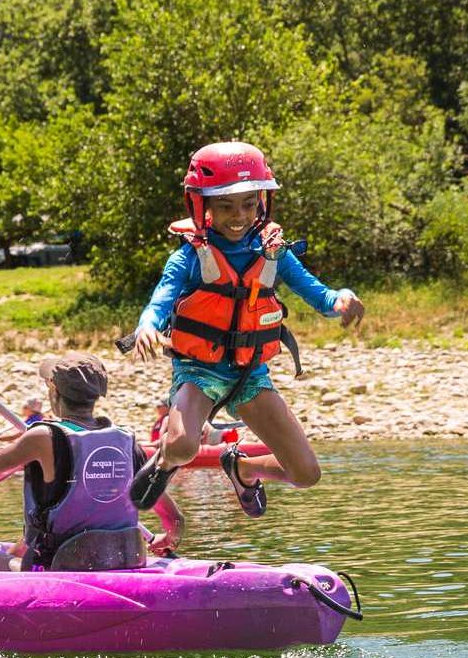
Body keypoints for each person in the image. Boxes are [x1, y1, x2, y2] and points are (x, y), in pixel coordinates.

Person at [128, 141, 364, 518]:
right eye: (225, 206)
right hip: (199, 371)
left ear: (262, 203)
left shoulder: (274, 252)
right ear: (201, 204)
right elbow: (161, 299)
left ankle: (242, 468)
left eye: (248, 204)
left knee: (306, 474)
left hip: (250, 374)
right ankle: (166, 460)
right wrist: (147, 327)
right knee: (184, 446)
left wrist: (343, 299)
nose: (238, 216)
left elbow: (320, 295)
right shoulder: (189, 255)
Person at [0, 353, 184, 572]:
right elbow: (173, 520)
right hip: (123, 560)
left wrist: (24, 452)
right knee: (23, 542)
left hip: (53, 569)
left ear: (54, 393)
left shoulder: (42, 436)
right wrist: (167, 538)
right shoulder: (126, 441)